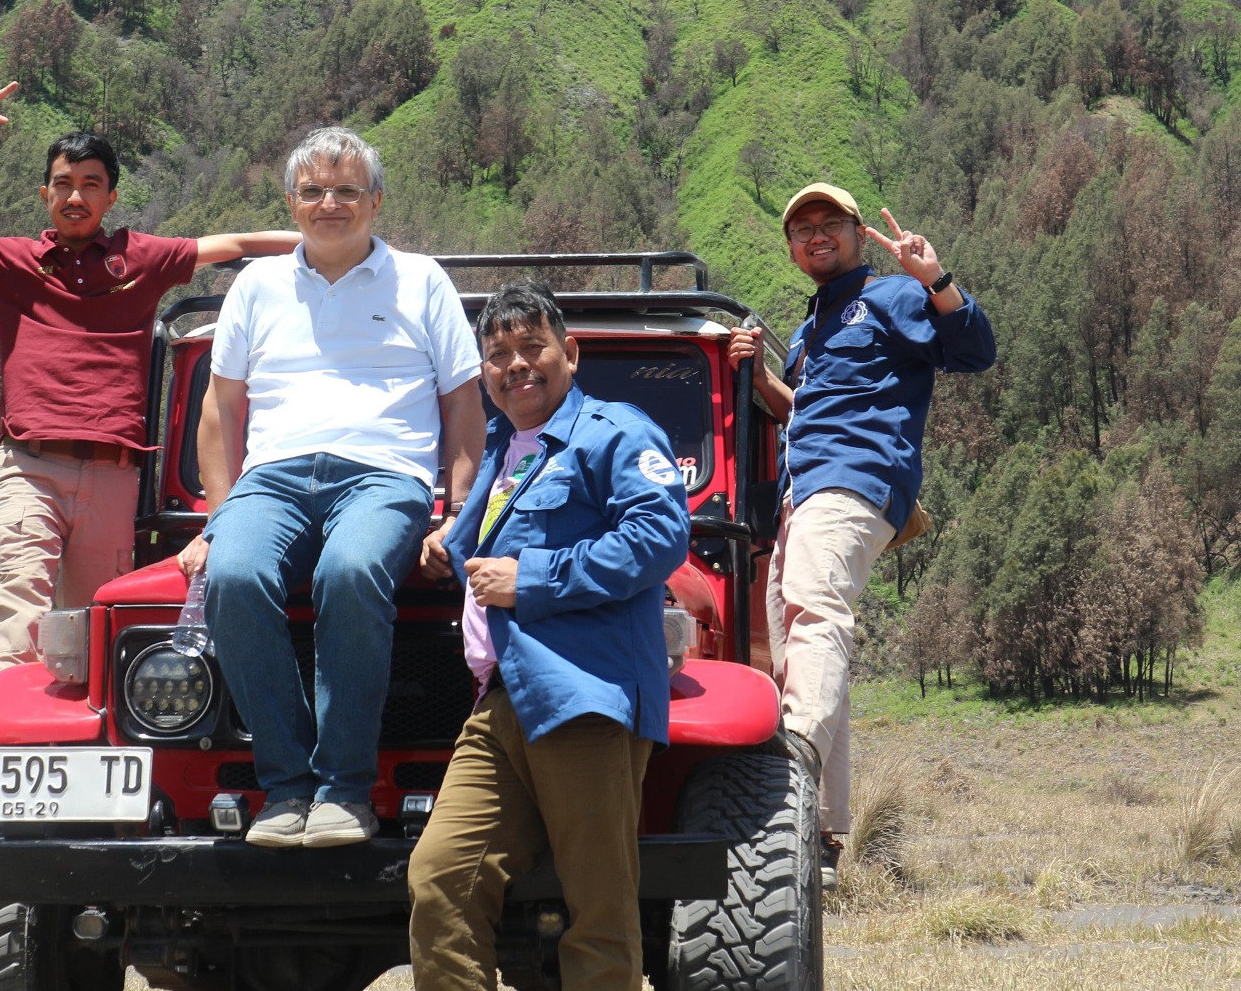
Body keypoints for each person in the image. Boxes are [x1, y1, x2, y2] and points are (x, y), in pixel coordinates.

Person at [0, 82, 299, 674]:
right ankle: (14, 755)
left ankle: (84, 758)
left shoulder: (141, 257)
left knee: (94, 634)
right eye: (63, 184)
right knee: (21, 617)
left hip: (114, 475)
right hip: (29, 466)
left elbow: (238, 243)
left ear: (110, 197)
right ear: (45, 195)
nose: (76, 196)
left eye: (90, 185)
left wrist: (340, 245)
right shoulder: (13, 262)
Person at [177, 126, 486, 850]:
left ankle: (344, 790)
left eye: (347, 190)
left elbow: (463, 407)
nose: (330, 204)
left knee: (350, 573)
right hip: (273, 479)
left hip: (385, 477)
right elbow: (221, 410)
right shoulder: (255, 286)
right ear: (292, 202)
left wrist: (455, 516)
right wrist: (218, 520)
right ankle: (285, 788)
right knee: (236, 574)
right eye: (314, 191)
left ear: (376, 201)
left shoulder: (422, 280)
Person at [407, 279, 691, 991]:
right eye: (498, 353)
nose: (516, 365)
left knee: (597, 909)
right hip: (499, 701)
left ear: (569, 351)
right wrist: (447, 542)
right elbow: (481, 546)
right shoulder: (504, 448)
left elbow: (659, 537)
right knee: (440, 879)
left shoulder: (613, 433)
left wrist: (531, 579)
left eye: (532, 347)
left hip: (582, 696)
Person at [728, 182, 995, 888]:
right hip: (802, 492)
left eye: (830, 224)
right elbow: (803, 412)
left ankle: (785, 774)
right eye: (801, 228)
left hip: (851, 482)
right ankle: (816, 835)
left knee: (815, 614)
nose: (815, 235)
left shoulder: (892, 296)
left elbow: (974, 351)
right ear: (791, 248)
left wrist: (934, 277)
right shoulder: (811, 327)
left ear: (854, 232)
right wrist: (758, 377)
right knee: (796, 647)